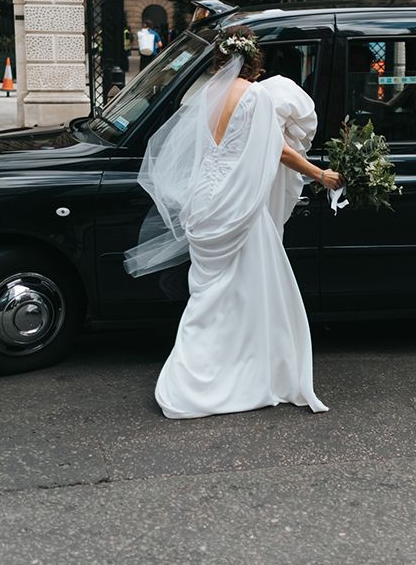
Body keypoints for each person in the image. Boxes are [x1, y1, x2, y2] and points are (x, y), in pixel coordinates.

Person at [123, 26, 343, 419]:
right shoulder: (255, 96)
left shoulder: (204, 95)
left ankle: (190, 377)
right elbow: (277, 149)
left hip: (204, 201)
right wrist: (319, 174)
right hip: (239, 201)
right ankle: (248, 370)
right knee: (250, 289)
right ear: (252, 61)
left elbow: (200, 149)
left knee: (208, 294)